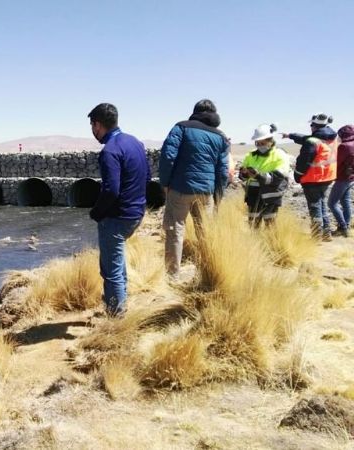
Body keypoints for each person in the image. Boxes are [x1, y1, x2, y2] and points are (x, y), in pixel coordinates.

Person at [87, 103, 150, 317]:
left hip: (116, 217)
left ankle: (116, 319)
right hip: (136, 213)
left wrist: (96, 213)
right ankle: (121, 305)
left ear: (98, 124)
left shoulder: (110, 151)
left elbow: (111, 190)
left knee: (110, 270)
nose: (92, 131)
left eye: (92, 126)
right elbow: (147, 177)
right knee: (117, 260)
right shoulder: (135, 142)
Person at [158, 99, 229, 277]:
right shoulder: (220, 136)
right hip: (206, 192)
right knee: (205, 233)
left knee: (175, 230)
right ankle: (207, 272)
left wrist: (165, 183)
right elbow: (222, 171)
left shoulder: (181, 127)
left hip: (180, 188)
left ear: (195, 111)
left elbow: (168, 156)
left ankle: (172, 276)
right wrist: (218, 196)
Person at [283, 113, 338, 240]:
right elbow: (306, 138)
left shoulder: (312, 141)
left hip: (313, 179)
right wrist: (290, 135)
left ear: (314, 126)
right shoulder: (331, 137)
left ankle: (317, 235)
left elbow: (303, 162)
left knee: (314, 207)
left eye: (311, 125)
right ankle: (326, 233)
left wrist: (297, 176)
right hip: (327, 178)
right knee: (322, 204)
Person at [238, 124, 291, 227]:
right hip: (253, 196)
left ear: (270, 141)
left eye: (263, 143)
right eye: (257, 143)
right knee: (253, 224)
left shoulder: (280, 154)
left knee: (270, 225)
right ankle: (254, 243)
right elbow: (242, 176)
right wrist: (244, 174)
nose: (260, 145)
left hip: (271, 197)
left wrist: (258, 175)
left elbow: (279, 176)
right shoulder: (251, 155)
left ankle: (271, 243)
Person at [328, 124, 354, 237]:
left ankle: (343, 227)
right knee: (346, 202)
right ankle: (346, 226)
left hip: (342, 178)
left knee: (331, 203)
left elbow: (336, 162)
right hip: (351, 178)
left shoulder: (343, 146)